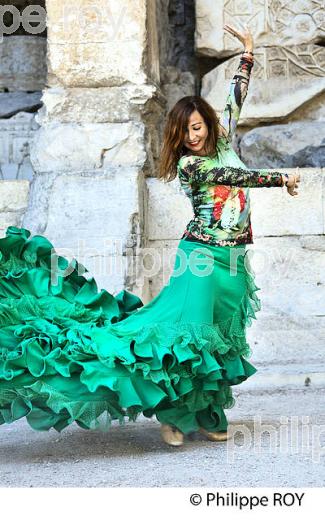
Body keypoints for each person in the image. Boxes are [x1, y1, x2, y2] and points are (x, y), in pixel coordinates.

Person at [0, 24, 299, 447]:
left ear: (209, 125)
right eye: (187, 132)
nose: (194, 136)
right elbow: (232, 177)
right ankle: (174, 417)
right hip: (201, 258)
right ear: (178, 138)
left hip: (233, 262)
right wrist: (278, 178)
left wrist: (247, 56)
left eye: (199, 127)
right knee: (187, 338)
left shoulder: (224, 138)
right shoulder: (192, 167)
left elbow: (235, 99)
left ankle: (208, 413)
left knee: (219, 340)